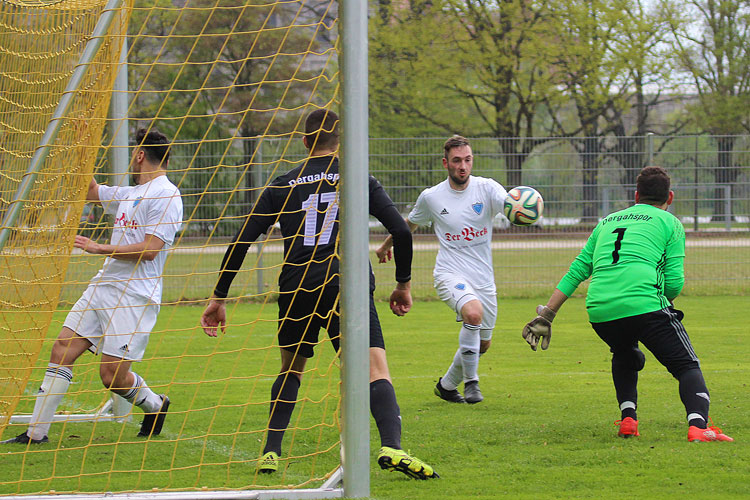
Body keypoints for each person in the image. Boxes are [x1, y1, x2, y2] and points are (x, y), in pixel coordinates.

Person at [200, 109, 438, 480]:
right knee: (374, 369)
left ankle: (270, 453)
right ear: (340, 141)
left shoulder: (283, 182)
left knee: (292, 368)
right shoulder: (359, 178)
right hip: (347, 284)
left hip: (296, 286)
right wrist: (403, 284)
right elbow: (402, 233)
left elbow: (242, 239)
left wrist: (219, 297)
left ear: (306, 141)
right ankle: (392, 445)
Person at [522, 166, 733, 443]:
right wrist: (661, 301)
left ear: (636, 195)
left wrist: (548, 314)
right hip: (644, 304)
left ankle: (628, 420)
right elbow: (674, 283)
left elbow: (577, 270)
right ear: (670, 197)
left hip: (600, 309)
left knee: (625, 353)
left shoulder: (607, 221)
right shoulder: (670, 223)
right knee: (686, 366)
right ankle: (698, 426)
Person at [2, 128, 182, 444]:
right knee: (61, 348)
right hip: (103, 286)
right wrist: (81, 149)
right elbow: (91, 190)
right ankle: (36, 433)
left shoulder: (167, 194)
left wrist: (100, 248)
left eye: (133, 153)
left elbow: (151, 248)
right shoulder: (128, 193)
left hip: (135, 297)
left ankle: (154, 404)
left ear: (140, 155)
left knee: (111, 377)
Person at [376, 135, 508, 404]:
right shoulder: (432, 197)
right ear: (445, 163)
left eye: (468, 160)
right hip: (449, 273)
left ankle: (447, 386)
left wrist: (523, 206)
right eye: (457, 161)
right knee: (473, 313)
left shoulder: (487, 188)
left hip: (483, 277)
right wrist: (387, 244)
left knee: (483, 344)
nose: (463, 166)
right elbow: (409, 225)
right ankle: (472, 383)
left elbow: (510, 203)